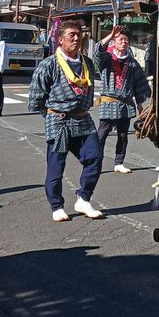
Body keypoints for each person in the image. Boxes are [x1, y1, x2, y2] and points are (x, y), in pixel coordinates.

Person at [28, 20, 104, 222]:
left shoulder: (87, 63)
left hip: (83, 119)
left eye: (79, 35)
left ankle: (84, 198)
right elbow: (36, 97)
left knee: (95, 157)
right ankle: (56, 205)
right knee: (56, 165)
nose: (76, 38)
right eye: (71, 35)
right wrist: (52, 115)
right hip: (59, 120)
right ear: (60, 40)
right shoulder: (49, 64)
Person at [92, 25, 151, 173]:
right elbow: (97, 52)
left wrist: (139, 104)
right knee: (102, 134)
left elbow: (139, 83)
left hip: (125, 103)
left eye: (126, 40)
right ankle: (95, 162)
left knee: (123, 135)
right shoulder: (107, 58)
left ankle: (119, 162)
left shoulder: (132, 63)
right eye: (120, 39)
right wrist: (110, 35)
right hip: (109, 101)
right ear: (114, 42)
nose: (123, 42)